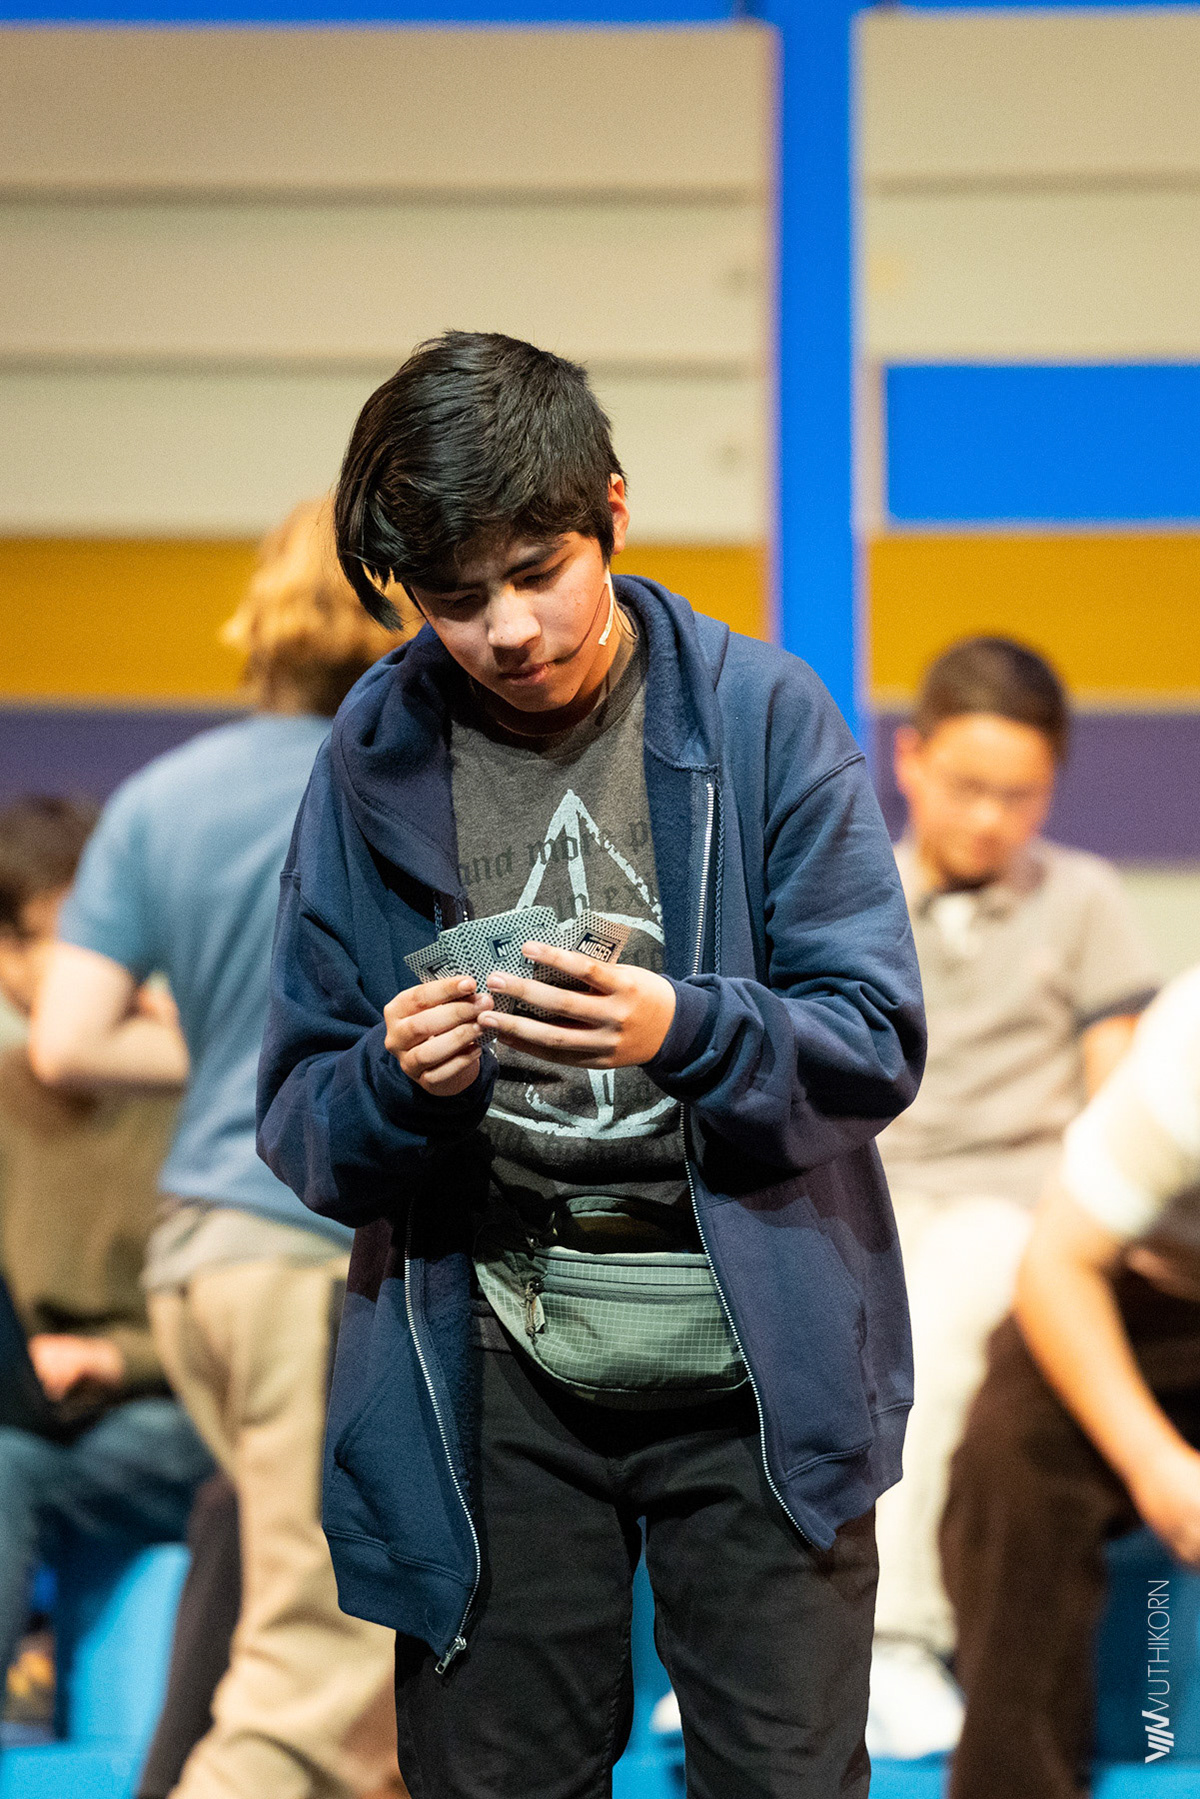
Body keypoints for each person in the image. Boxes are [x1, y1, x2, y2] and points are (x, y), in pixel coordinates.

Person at [256, 330, 927, 1798]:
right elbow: (301, 1116)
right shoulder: (372, 751)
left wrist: (681, 1028)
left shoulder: (761, 715)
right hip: (491, 1353)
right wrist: (395, 1078)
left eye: (538, 569)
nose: (507, 628)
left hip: (757, 1354)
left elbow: (875, 1037)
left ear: (612, 512)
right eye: (455, 597)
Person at [30, 503, 406, 1799]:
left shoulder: (160, 796)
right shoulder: (405, 790)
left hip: (200, 1261)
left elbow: (70, 1037)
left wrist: (246, 1047)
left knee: (366, 1662)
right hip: (314, 1257)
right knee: (318, 1671)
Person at [867, 636, 1160, 1758]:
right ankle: (770, 1651)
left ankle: (897, 1642)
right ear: (912, 759)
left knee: (945, 1316)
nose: (991, 817)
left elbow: (1116, 1089)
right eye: (968, 785)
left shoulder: (1081, 896)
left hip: (1016, 1200)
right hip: (870, 1193)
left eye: (1021, 794)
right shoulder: (854, 891)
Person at [941, 965, 1200, 1799]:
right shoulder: (1187, 1051)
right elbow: (1058, 1264)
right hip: (1148, 1293)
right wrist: (1160, 1470)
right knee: (1011, 1451)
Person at [0, 796, 211, 1711]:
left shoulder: (192, 1083)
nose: (101, 958)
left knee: (5, 1469)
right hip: (34, 1411)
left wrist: (110, 1356)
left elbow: (252, 1312)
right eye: (66, 934)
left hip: (173, 1408)